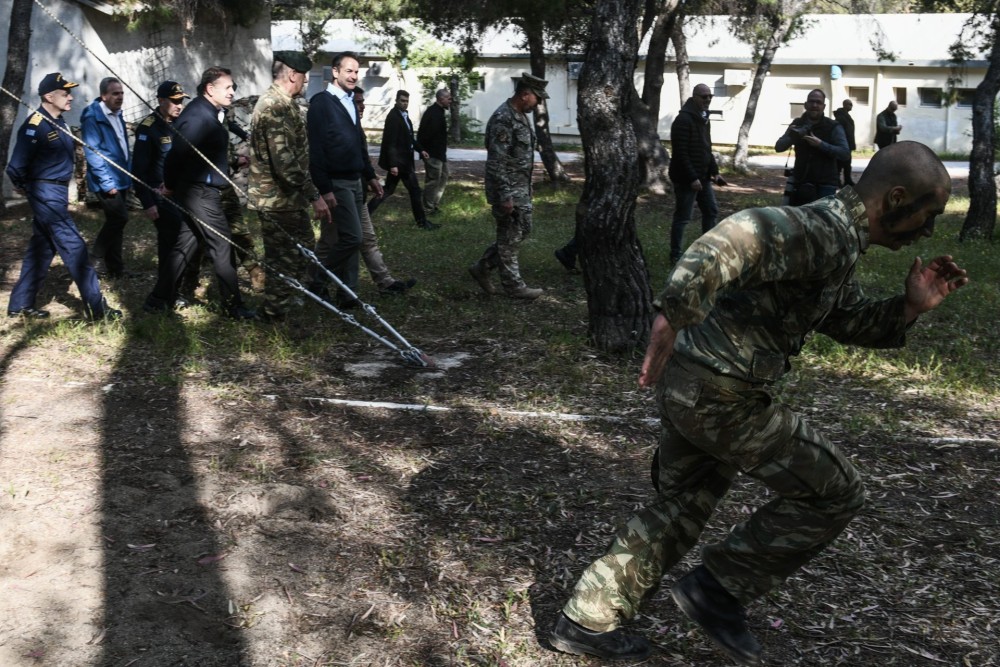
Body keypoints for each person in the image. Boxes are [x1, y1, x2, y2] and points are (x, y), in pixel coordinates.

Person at [550, 141, 967, 665]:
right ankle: (718, 591)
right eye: (927, 218)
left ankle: (585, 620)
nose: (927, 234)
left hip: (694, 385)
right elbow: (739, 234)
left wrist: (909, 307)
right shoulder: (824, 231)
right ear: (897, 198)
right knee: (835, 491)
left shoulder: (838, 241)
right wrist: (672, 312)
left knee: (682, 504)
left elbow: (845, 318)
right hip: (724, 397)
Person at [5, 72, 121, 320]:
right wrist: (29, 188)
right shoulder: (35, 124)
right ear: (49, 96)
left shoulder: (59, 122)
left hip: (56, 191)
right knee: (75, 247)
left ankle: (19, 304)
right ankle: (97, 308)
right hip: (45, 192)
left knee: (42, 247)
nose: (70, 97)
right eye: (65, 93)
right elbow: (15, 166)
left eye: (70, 92)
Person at [144, 66, 256, 319]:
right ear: (210, 89)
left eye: (232, 87)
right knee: (222, 244)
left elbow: (204, 156)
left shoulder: (210, 112)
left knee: (186, 243)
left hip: (200, 188)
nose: (232, 92)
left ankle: (158, 300)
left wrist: (232, 163)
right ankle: (233, 306)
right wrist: (170, 186)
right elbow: (177, 155)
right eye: (227, 87)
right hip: (199, 192)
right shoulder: (197, 116)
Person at [248, 51, 332, 322]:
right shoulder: (275, 106)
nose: (305, 81)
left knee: (302, 247)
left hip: (288, 199)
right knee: (283, 256)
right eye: (304, 76)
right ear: (292, 75)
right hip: (276, 199)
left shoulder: (286, 103)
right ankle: (274, 312)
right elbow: (285, 162)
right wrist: (314, 195)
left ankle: (288, 298)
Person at [307, 51, 384, 309]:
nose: (353, 75)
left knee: (349, 238)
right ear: (335, 72)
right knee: (353, 237)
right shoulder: (322, 102)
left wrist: (370, 176)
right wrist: (324, 189)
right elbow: (315, 150)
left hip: (356, 181)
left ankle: (348, 295)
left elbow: (358, 144)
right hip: (337, 182)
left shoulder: (351, 101)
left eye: (356, 71)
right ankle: (316, 281)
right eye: (348, 70)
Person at [468, 72, 549, 300]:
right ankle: (514, 286)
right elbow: (497, 160)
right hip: (508, 190)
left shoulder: (520, 115)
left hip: (520, 188)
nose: (539, 102)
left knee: (521, 230)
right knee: (510, 235)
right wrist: (505, 196)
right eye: (537, 98)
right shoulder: (504, 118)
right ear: (525, 94)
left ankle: (482, 267)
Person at [133, 80, 191, 310]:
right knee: (170, 246)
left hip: (181, 194)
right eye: (175, 101)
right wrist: (147, 202)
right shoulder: (149, 128)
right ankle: (165, 295)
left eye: (181, 101)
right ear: (161, 101)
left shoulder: (181, 124)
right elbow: (139, 170)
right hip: (160, 196)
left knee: (180, 243)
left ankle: (173, 290)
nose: (179, 106)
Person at [354, 87, 417, 294]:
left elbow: (362, 158)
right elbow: (389, 142)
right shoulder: (342, 125)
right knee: (337, 243)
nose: (363, 106)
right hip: (342, 193)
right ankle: (316, 281)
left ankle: (386, 283)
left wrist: (371, 178)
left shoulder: (356, 126)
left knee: (368, 239)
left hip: (359, 191)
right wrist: (392, 164)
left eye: (363, 102)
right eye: (358, 102)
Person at [668, 82, 727, 262]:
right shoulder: (683, 120)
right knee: (683, 217)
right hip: (686, 179)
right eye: (704, 96)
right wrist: (692, 178)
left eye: (710, 96)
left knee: (711, 211)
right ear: (694, 97)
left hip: (703, 177)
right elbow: (680, 153)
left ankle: (707, 250)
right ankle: (675, 255)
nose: (708, 99)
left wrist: (715, 172)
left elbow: (706, 148)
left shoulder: (703, 118)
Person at [80, 77, 132, 278]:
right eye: (114, 93)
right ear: (104, 96)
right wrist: (106, 182)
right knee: (119, 218)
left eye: (121, 93)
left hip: (122, 176)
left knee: (116, 223)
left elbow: (121, 145)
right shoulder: (93, 117)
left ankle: (116, 268)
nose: (119, 97)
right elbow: (92, 152)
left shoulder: (117, 114)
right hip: (108, 179)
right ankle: (94, 259)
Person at [367, 90, 437, 230]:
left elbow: (409, 138)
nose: (405, 103)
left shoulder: (404, 116)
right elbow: (390, 143)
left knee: (387, 190)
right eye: (402, 101)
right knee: (415, 191)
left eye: (406, 101)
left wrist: (420, 150)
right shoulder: (393, 117)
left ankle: (365, 215)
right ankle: (422, 223)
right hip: (400, 163)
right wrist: (393, 165)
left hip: (404, 161)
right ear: (396, 100)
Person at [775, 89, 849, 205]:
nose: (814, 105)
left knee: (822, 222)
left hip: (825, 185)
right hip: (800, 183)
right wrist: (793, 136)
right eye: (811, 102)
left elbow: (844, 153)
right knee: (797, 221)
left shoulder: (833, 126)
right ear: (806, 105)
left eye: (818, 102)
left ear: (824, 106)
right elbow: (778, 147)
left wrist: (820, 144)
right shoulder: (797, 123)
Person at [417, 87, 452, 215]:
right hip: (432, 154)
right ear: (441, 99)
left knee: (443, 176)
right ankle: (427, 208)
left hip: (440, 154)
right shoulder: (432, 113)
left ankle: (433, 204)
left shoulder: (439, 112)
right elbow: (422, 134)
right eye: (448, 98)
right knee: (432, 180)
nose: (450, 101)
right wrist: (422, 151)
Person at [834, 99, 856, 186]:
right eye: (850, 104)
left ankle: (847, 180)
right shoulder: (841, 117)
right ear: (844, 105)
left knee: (847, 164)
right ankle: (837, 181)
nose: (851, 106)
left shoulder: (846, 116)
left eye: (852, 105)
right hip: (842, 144)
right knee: (839, 164)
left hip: (848, 144)